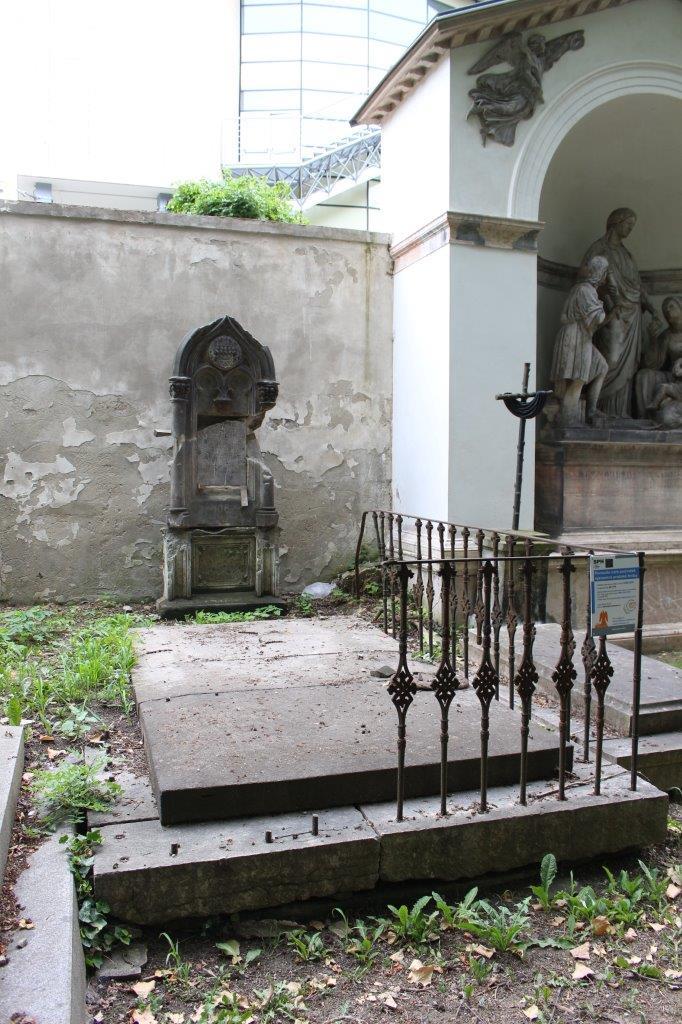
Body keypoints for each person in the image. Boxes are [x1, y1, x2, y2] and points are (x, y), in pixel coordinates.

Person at [580, 208, 655, 417]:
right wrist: (605, 296)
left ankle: (620, 414)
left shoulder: (627, 255)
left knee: (629, 366)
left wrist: (652, 309)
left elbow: (637, 286)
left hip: (633, 315)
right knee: (611, 359)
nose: (630, 229)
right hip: (610, 312)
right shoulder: (598, 249)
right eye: (628, 224)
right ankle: (597, 408)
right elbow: (584, 278)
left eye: (632, 226)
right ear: (616, 222)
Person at [550, 255, 612, 425]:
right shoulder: (585, 290)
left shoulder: (584, 289)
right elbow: (598, 318)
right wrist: (604, 302)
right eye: (606, 272)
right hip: (575, 336)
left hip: (581, 336)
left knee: (601, 367)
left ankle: (590, 411)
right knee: (578, 379)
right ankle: (568, 421)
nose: (607, 277)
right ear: (600, 273)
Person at [634, 296, 682, 418]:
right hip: (673, 375)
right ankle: (644, 418)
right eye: (665, 309)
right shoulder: (666, 336)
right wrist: (653, 340)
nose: (667, 310)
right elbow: (652, 364)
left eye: (671, 306)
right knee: (643, 375)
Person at [648, 357, 682, 430]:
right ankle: (655, 405)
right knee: (662, 388)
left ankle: (654, 404)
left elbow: (677, 373)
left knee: (664, 387)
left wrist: (678, 371)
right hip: (678, 387)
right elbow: (675, 372)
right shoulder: (679, 360)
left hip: (679, 389)